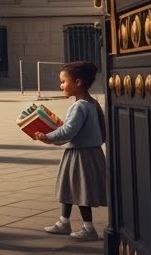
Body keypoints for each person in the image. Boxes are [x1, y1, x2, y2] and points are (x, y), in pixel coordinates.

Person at [35, 61, 108, 241]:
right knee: (69, 188)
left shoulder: (79, 106)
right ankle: (63, 222)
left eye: (63, 81)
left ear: (78, 83)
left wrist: (48, 136)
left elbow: (68, 131)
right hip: (90, 153)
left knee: (80, 191)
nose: (61, 86)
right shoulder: (92, 103)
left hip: (80, 155)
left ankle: (88, 228)